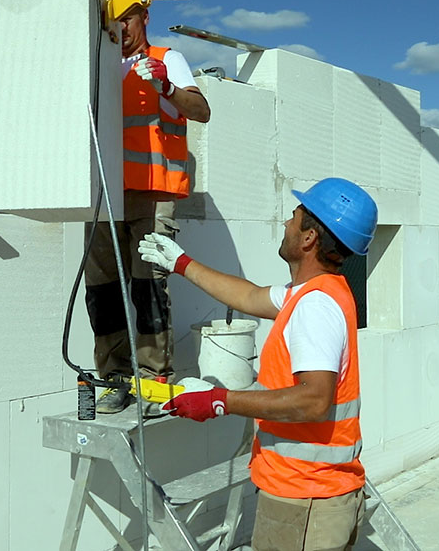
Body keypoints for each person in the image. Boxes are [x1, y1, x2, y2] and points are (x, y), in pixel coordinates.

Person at [138, 177, 377, 551]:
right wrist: (181, 263)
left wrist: (220, 400)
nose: (285, 223)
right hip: (310, 492)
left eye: (294, 217)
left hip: (305, 500)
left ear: (309, 238)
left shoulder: (315, 307)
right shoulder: (315, 292)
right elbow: (248, 295)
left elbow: (313, 400)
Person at [88, 3, 210, 413]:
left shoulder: (166, 60)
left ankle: (153, 379)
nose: (120, 27)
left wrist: (167, 87)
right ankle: (114, 379)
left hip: (152, 192)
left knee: (148, 287)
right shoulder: (98, 64)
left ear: (144, 18)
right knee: (102, 290)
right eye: (114, 19)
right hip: (105, 193)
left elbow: (201, 111)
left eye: (128, 18)